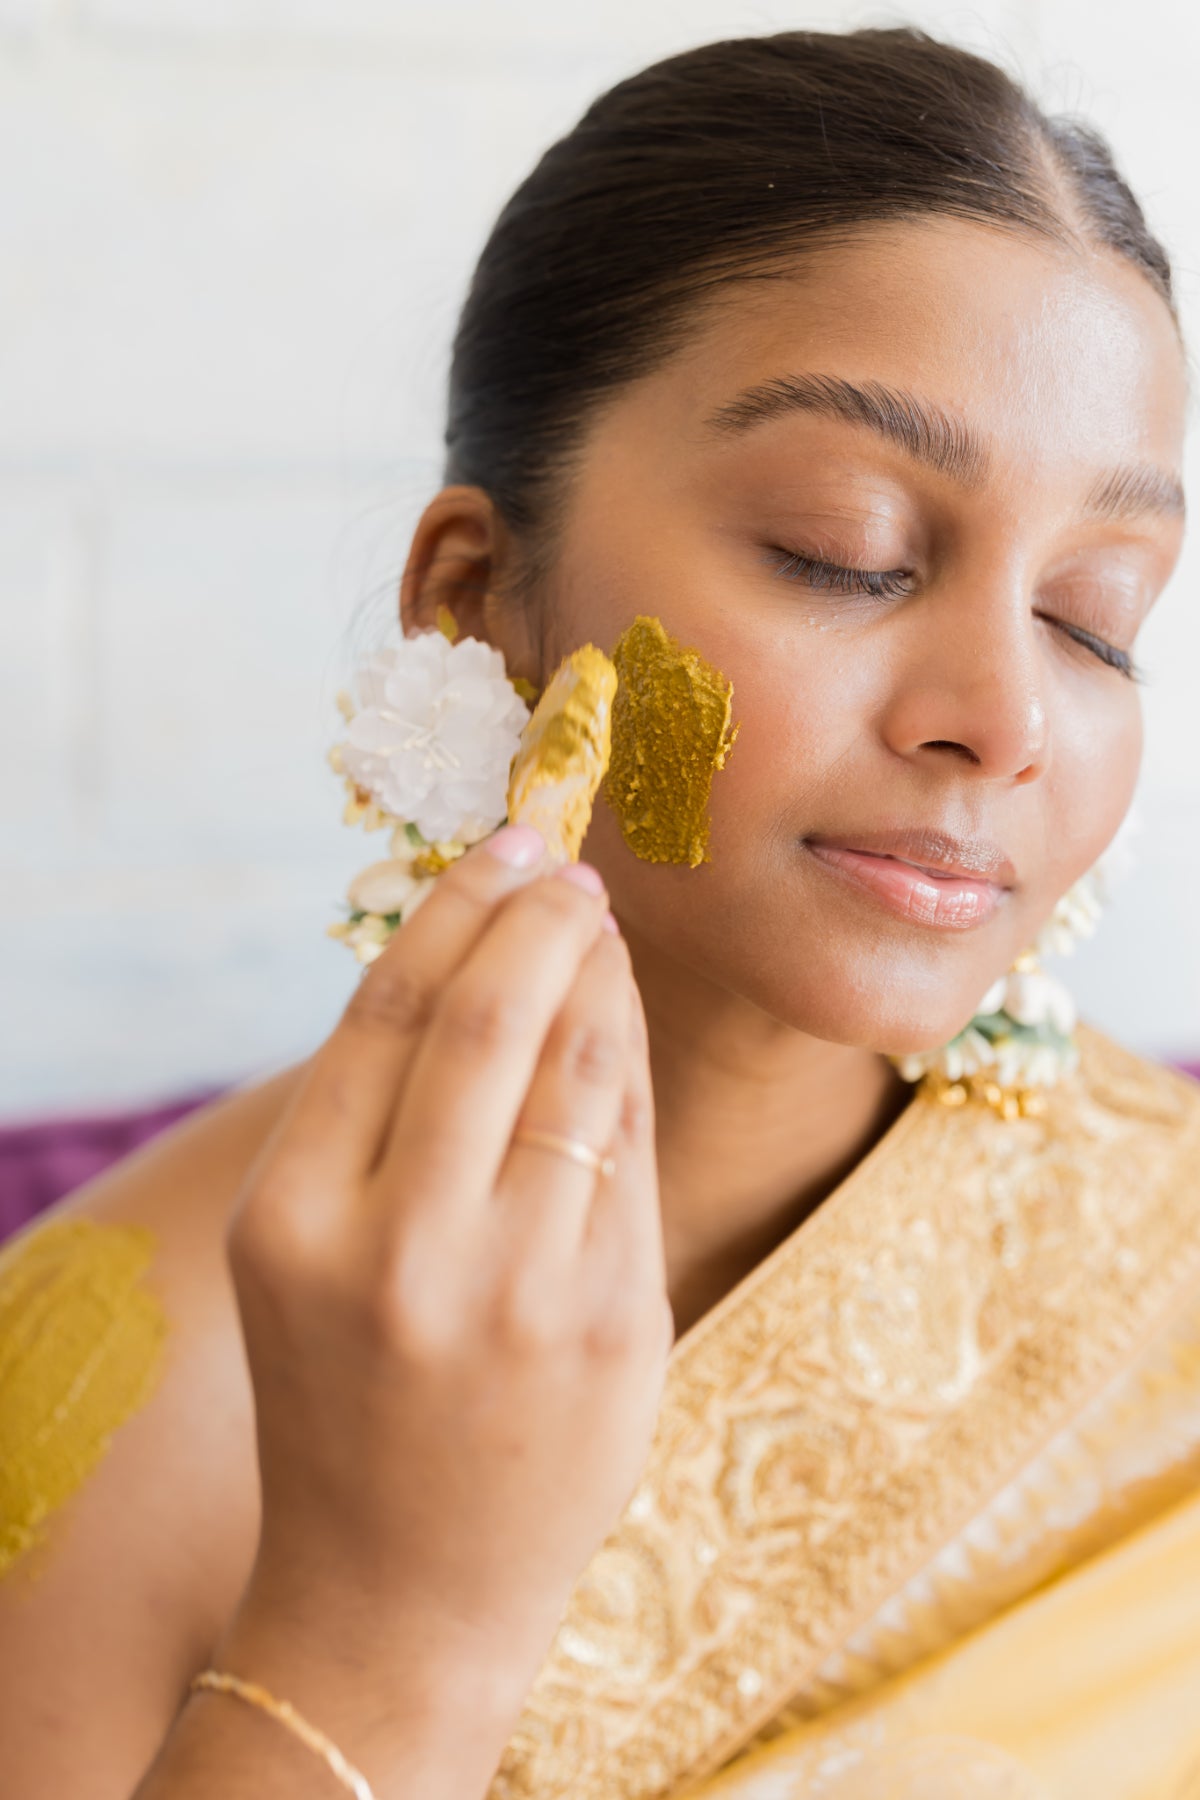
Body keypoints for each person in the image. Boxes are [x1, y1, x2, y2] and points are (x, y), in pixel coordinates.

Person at [2, 26, 1198, 1800]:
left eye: (1097, 617)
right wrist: (381, 1638)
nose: (1005, 719)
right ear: (482, 602)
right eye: (846, 548)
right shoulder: (111, 1385)